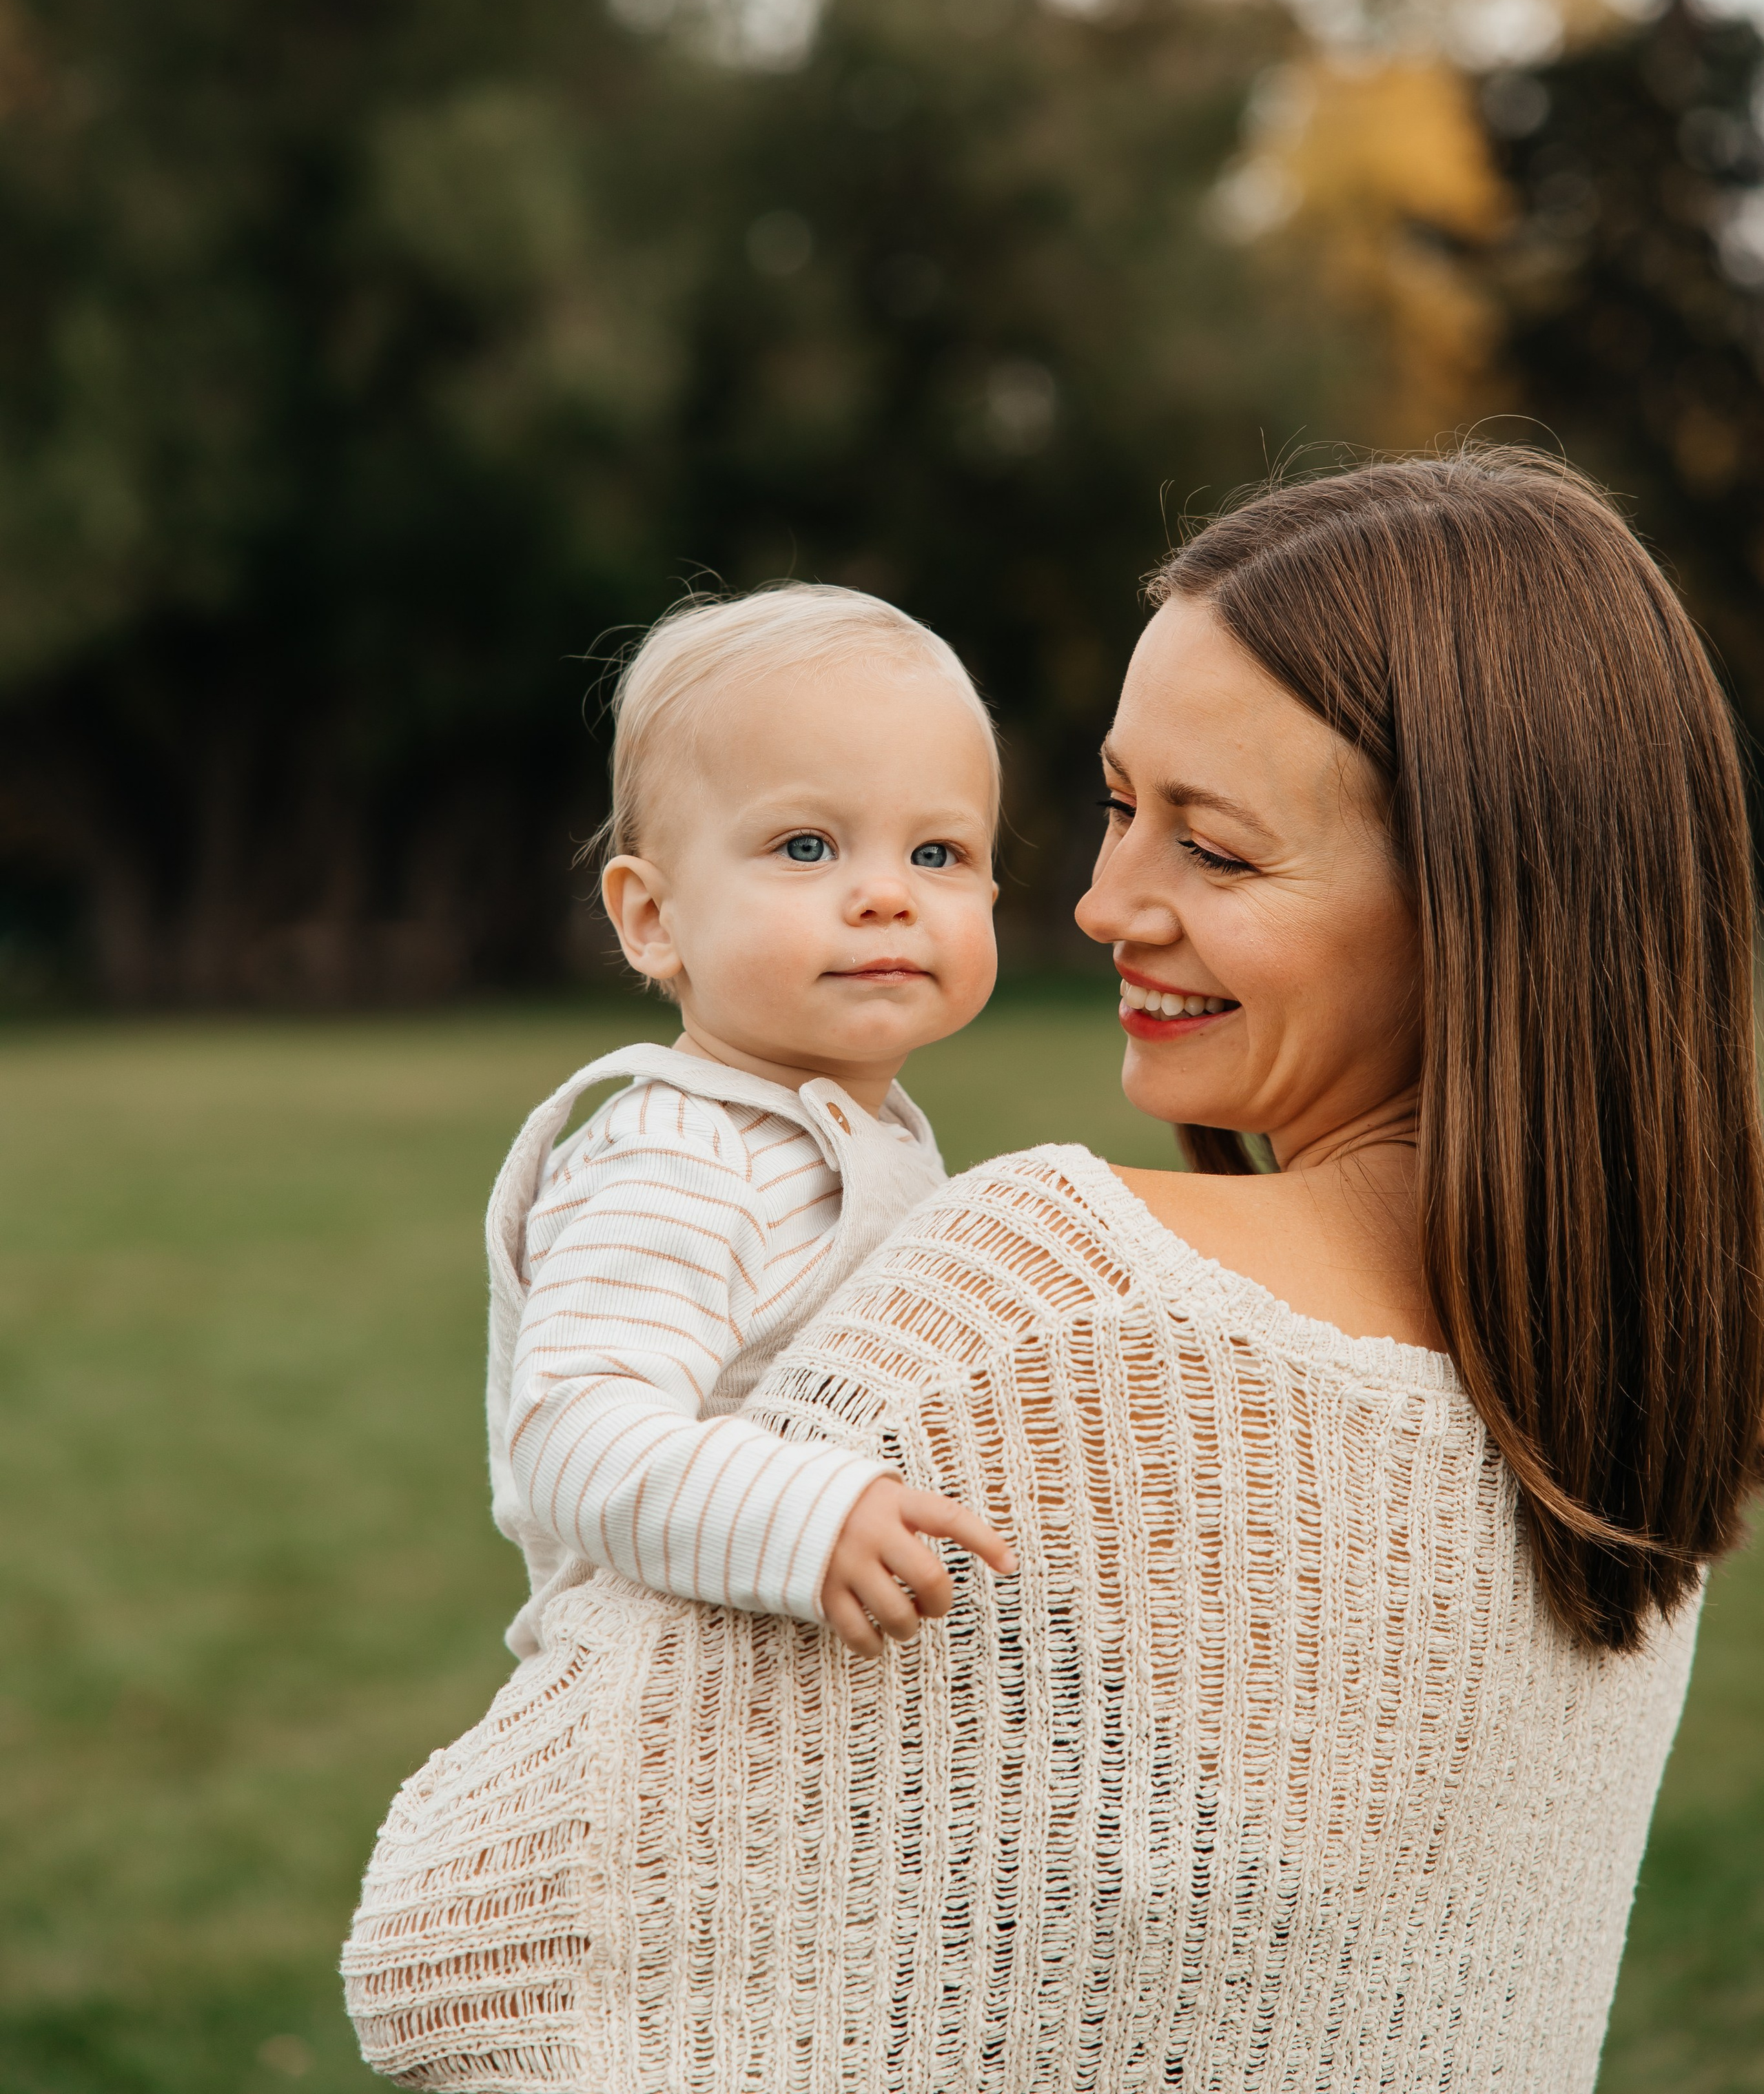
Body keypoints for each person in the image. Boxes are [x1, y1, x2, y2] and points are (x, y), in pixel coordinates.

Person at [345, 449, 1764, 2094]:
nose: (1098, 902)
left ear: (1477, 902)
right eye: (1112, 807)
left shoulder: (1060, 1301)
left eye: (1212, 852)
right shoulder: (1635, 1363)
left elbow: (462, 1951)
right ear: (645, 913)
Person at [478, 584, 1014, 1681]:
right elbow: (573, 1435)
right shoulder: (682, 1151)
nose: (885, 895)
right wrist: (808, 1517)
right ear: (653, 919)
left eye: (938, 854)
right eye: (808, 846)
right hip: (655, 1694)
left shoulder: (872, 1133)